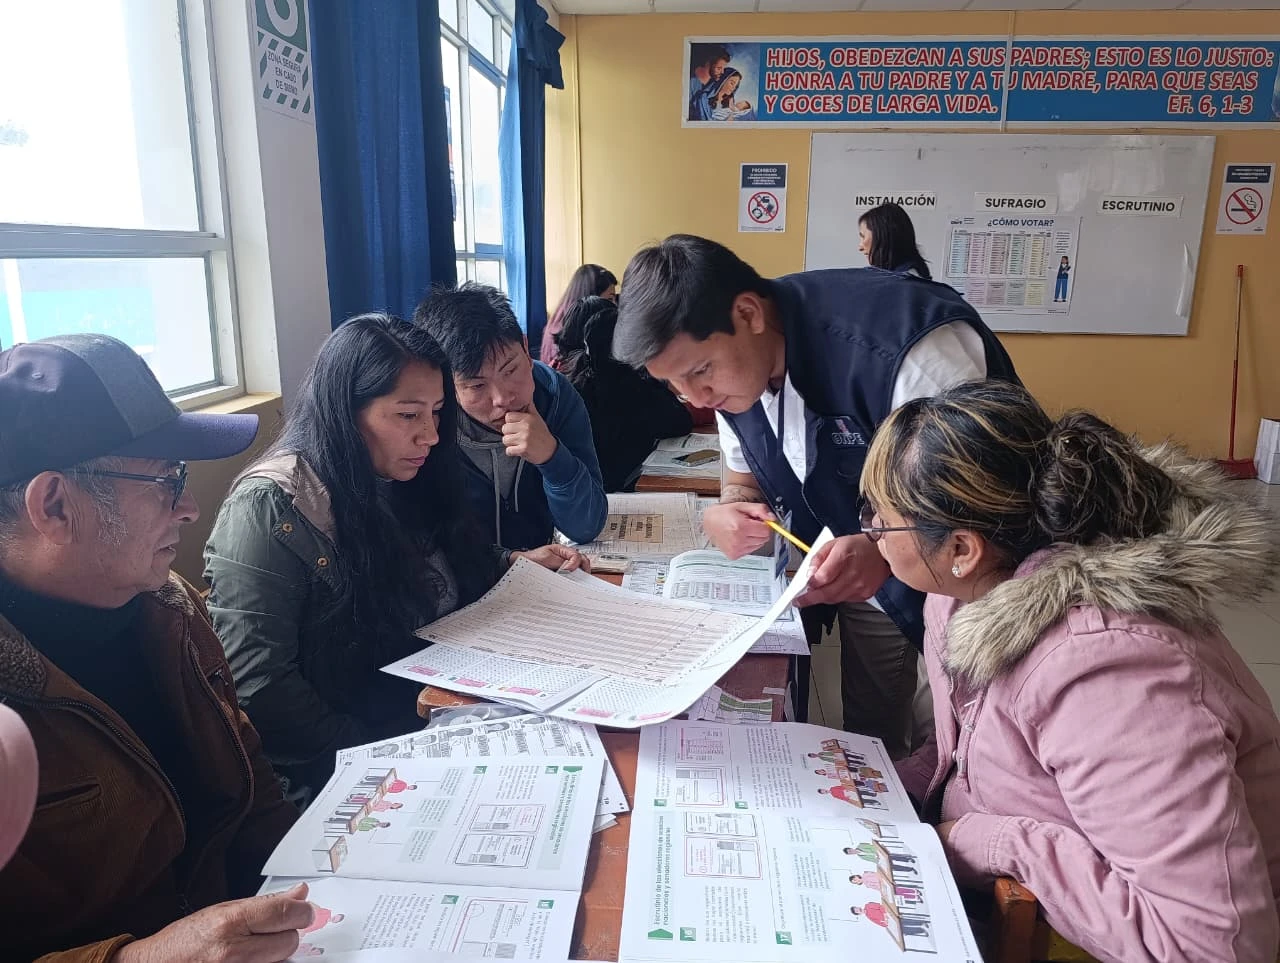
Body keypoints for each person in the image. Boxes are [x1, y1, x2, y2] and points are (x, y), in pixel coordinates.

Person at [863, 379, 1280, 963]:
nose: (871, 535)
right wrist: (883, 793)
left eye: (879, 519)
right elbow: (973, 748)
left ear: (962, 549)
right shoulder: (958, 598)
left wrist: (990, 841)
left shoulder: (1110, 671)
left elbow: (1212, 948)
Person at [612, 234, 1018, 758]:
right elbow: (743, 477)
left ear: (748, 313)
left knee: (960, 741)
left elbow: (978, 514)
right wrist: (728, 509)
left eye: (699, 374)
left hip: (967, 588)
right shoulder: (735, 371)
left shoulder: (905, 353)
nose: (696, 399)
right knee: (870, 728)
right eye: (675, 387)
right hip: (848, 569)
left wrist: (879, 549)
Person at [0, 334, 311, 961]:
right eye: (167, 480)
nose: (191, 507)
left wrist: (332, 866)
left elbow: (249, 779)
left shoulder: (168, 606)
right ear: (54, 505)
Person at [205, 315, 587, 806]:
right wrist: (380, 755)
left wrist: (512, 560)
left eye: (436, 412)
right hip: (353, 761)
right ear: (345, 412)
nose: (429, 434)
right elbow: (260, 687)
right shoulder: (272, 509)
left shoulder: (398, 473)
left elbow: (434, 564)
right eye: (408, 415)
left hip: (432, 707)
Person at [415, 284, 608, 551]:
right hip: (468, 585)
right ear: (447, 384)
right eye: (477, 386)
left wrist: (552, 457)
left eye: (511, 370)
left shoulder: (555, 397)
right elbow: (427, 544)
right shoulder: (428, 425)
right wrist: (507, 561)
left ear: (526, 350)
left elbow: (586, 526)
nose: (502, 399)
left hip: (539, 579)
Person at [555, 296, 693, 491]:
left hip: (584, 491)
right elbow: (681, 422)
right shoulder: (633, 388)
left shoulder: (566, 385)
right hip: (624, 488)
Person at [540, 263, 617, 368]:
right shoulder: (569, 337)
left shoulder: (561, 321)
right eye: (609, 299)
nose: (614, 306)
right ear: (591, 299)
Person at [857, 202, 931, 278]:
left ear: (883, 238)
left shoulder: (907, 281)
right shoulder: (899, 275)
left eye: (863, 237)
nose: (860, 247)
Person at [688, 43, 731, 121]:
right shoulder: (691, 83)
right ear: (708, 64)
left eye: (723, 69)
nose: (722, 72)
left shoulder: (713, 85)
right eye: (719, 68)